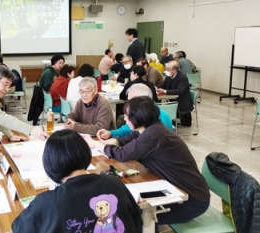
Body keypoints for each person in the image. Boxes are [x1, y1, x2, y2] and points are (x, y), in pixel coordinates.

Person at [83, 96, 210, 228]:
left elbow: (122, 154)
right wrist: (101, 142)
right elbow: (125, 141)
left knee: (134, 215)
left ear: (138, 117)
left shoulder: (153, 135)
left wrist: (96, 145)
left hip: (191, 199)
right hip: (177, 188)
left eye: (127, 115)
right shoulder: (149, 128)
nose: (124, 118)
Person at [12, 130, 142, 233]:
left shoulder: (46, 202)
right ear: (85, 152)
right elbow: (136, 219)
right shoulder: (114, 183)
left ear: (50, 162)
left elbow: (18, 228)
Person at [97, 83, 172, 139]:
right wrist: (110, 133)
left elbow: (146, 144)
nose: (128, 104)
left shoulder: (162, 118)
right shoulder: (140, 113)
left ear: (143, 101)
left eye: (131, 101)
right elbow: (126, 129)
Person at [157, 61, 193, 126]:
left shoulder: (182, 78)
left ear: (175, 70)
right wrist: (156, 88)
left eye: (168, 69)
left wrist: (164, 91)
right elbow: (163, 85)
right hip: (171, 99)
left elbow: (179, 91)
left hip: (182, 101)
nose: (166, 71)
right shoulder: (169, 77)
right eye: (165, 69)